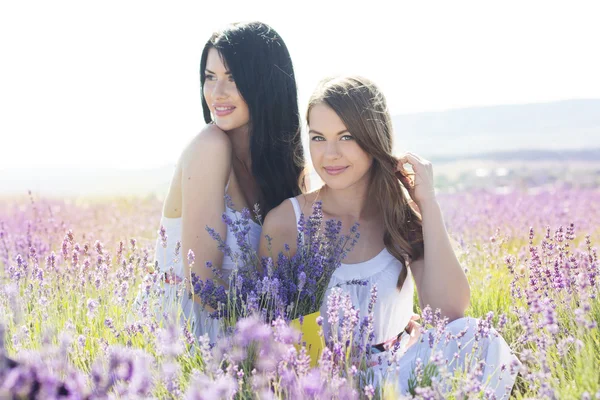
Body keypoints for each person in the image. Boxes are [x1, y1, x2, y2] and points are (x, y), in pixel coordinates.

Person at [259, 76, 519, 397]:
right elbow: (272, 331)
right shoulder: (287, 221)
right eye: (318, 138)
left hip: (401, 371)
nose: (330, 154)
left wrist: (428, 205)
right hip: (328, 384)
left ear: (373, 138)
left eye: (346, 136)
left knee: (478, 337)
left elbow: (450, 313)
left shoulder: (398, 216)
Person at [152, 21, 305, 343]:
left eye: (233, 78)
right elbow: (202, 285)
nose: (217, 93)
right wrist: (279, 338)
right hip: (188, 337)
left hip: (241, 336)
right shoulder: (210, 147)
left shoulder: (277, 167)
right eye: (210, 77)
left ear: (265, 82)